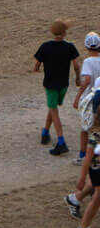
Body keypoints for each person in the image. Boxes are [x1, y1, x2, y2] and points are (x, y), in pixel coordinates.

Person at [33, 21, 80, 156]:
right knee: (52, 108)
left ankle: (61, 141)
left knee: (54, 110)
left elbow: (37, 64)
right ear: (64, 33)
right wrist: (77, 78)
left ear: (52, 32)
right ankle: (45, 132)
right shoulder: (70, 47)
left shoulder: (45, 46)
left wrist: (36, 69)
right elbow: (76, 65)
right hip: (63, 85)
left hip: (50, 84)